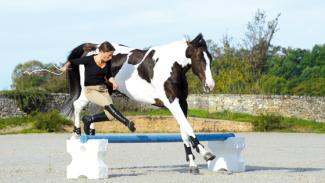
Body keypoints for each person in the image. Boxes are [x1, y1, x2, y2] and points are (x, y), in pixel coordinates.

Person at [62, 41, 136, 135]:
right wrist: (65, 66)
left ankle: (88, 119)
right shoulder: (88, 60)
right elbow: (73, 61)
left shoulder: (108, 62)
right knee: (110, 106)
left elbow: (109, 75)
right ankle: (127, 122)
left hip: (103, 90)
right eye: (109, 55)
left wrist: (113, 82)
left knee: (110, 116)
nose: (110, 57)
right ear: (101, 52)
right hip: (91, 90)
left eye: (111, 55)